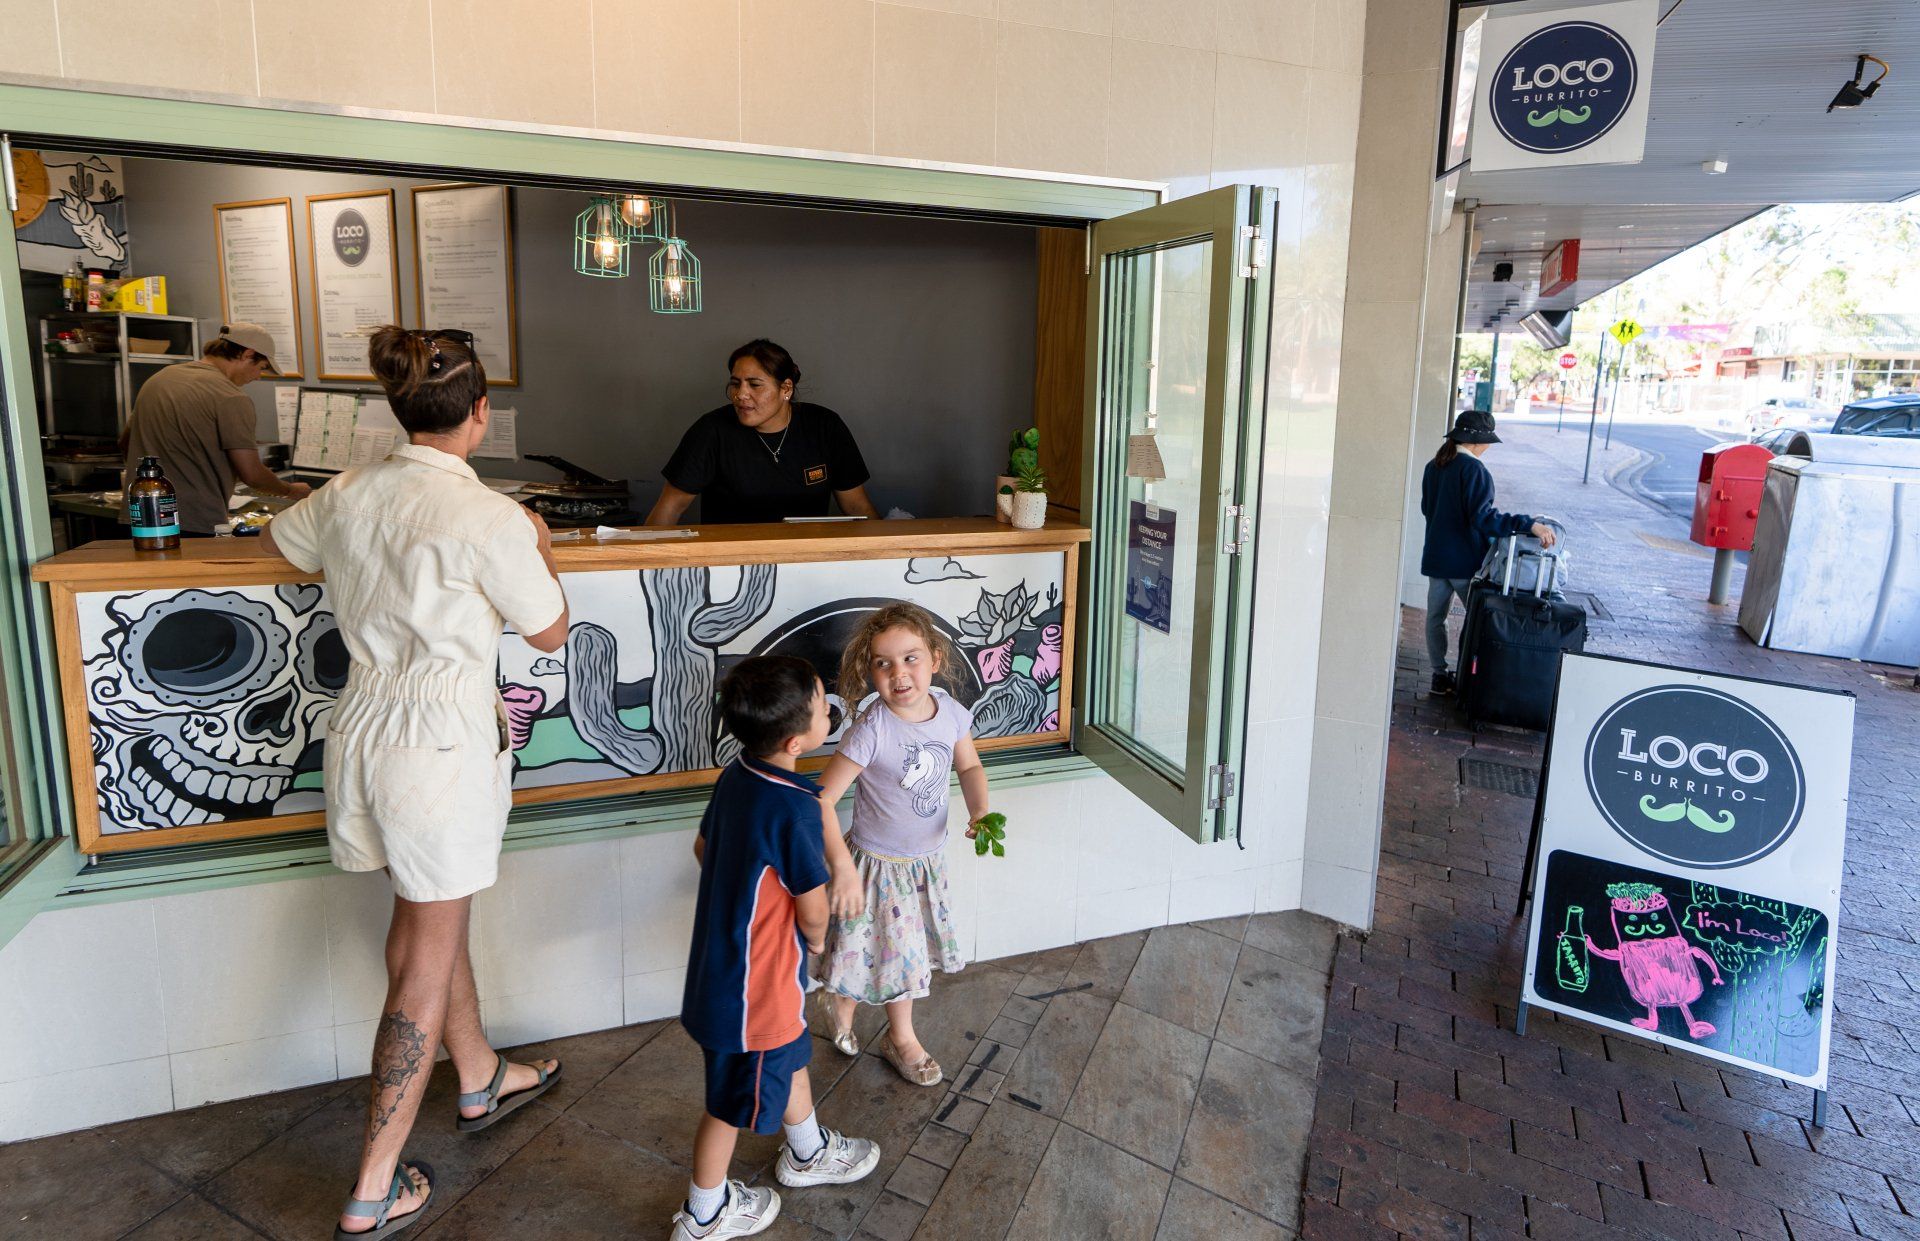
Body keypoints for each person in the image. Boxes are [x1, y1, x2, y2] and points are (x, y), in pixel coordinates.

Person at [260, 326, 570, 1237]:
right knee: (422, 957)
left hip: (361, 732)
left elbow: (288, 547)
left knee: (428, 915)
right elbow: (549, 632)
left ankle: (477, 1075)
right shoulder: (492, 517)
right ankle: (373, 1182)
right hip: (439, 745)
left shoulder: (348, 489)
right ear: (480, 412)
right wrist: (540, 543)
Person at [674, 656, 879, 1240]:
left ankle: (808, 1153)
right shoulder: (791, 808)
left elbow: (701, 848)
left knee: (789, 1057)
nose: (830, 708)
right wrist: (815, 941)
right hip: (755, 994)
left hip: (727, 974)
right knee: (729, 1104)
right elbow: (813, 908)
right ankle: (704, 1214)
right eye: (823, 705)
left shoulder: (740, 776)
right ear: (797, 739)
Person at [815, 603, 989, 1088]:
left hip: (924, 864)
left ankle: (896, 1035)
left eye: (911, 658)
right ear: (869, 672)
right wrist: (841, 869)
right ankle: (856, 1016)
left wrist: (980, 810)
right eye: (883, 663)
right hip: (876, 867)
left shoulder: (950, 712)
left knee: (897, 953)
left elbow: (970, 768)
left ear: (935, 658)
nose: (899, 673)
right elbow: (823, 799)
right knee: (863, 950)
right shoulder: (872, 729)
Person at [645, 340, 879, 525]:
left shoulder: (825, 426)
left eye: (754, 385)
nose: (741, 394)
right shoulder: (711, 431)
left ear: (785, 388)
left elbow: (857, 507)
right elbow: (670, 507)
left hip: (806, 563)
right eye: (736, 383)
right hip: (729, 564)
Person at [121, 322, 310, 535]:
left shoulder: (158, 380)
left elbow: (126, 443)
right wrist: (291, 490)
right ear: (248, 354)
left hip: (139, 517)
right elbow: (252, 474)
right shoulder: (231, 397)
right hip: (192, 522)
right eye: (262, 368)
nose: (258, 376)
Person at [1419, 409, 1557, 697]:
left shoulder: (1434, 466)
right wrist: (1527, 524)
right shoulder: (1474, 470)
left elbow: (1426, 509)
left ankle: (1438, 675)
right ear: (1478, 442)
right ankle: (1474, 676)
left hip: (1435, 557)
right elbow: (1484, 519)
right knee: (1479, 621)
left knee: (1435, 619)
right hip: (1466, 562)